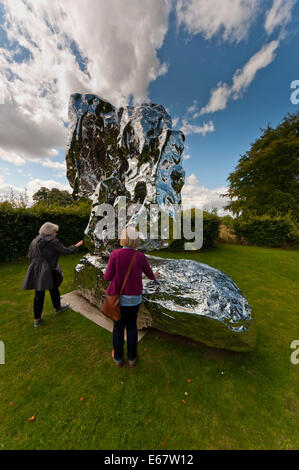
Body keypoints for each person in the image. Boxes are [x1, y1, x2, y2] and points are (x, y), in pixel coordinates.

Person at [104, 226, 160, 368]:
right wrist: (155, 276)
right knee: (131, 327)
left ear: (123, 238)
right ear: (136, 240)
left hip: (118, 299)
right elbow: (150, 274)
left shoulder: (115, 254)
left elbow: (107, 277)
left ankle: (117, 358)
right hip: (134, 299)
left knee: (118, 327)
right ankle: (132, 359)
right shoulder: (140, 256)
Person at [22, 222, 83, 327]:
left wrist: (39, 262)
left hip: (36, 267)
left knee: (48, 290)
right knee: (43, 292)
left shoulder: (35, 240)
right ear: (50, 231)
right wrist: (76, 245)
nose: (56, 233)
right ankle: (39, 318)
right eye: (55, 231)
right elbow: (65, 251)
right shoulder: (51, 241)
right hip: (47, 269)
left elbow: (30, 254)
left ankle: (49, 312)